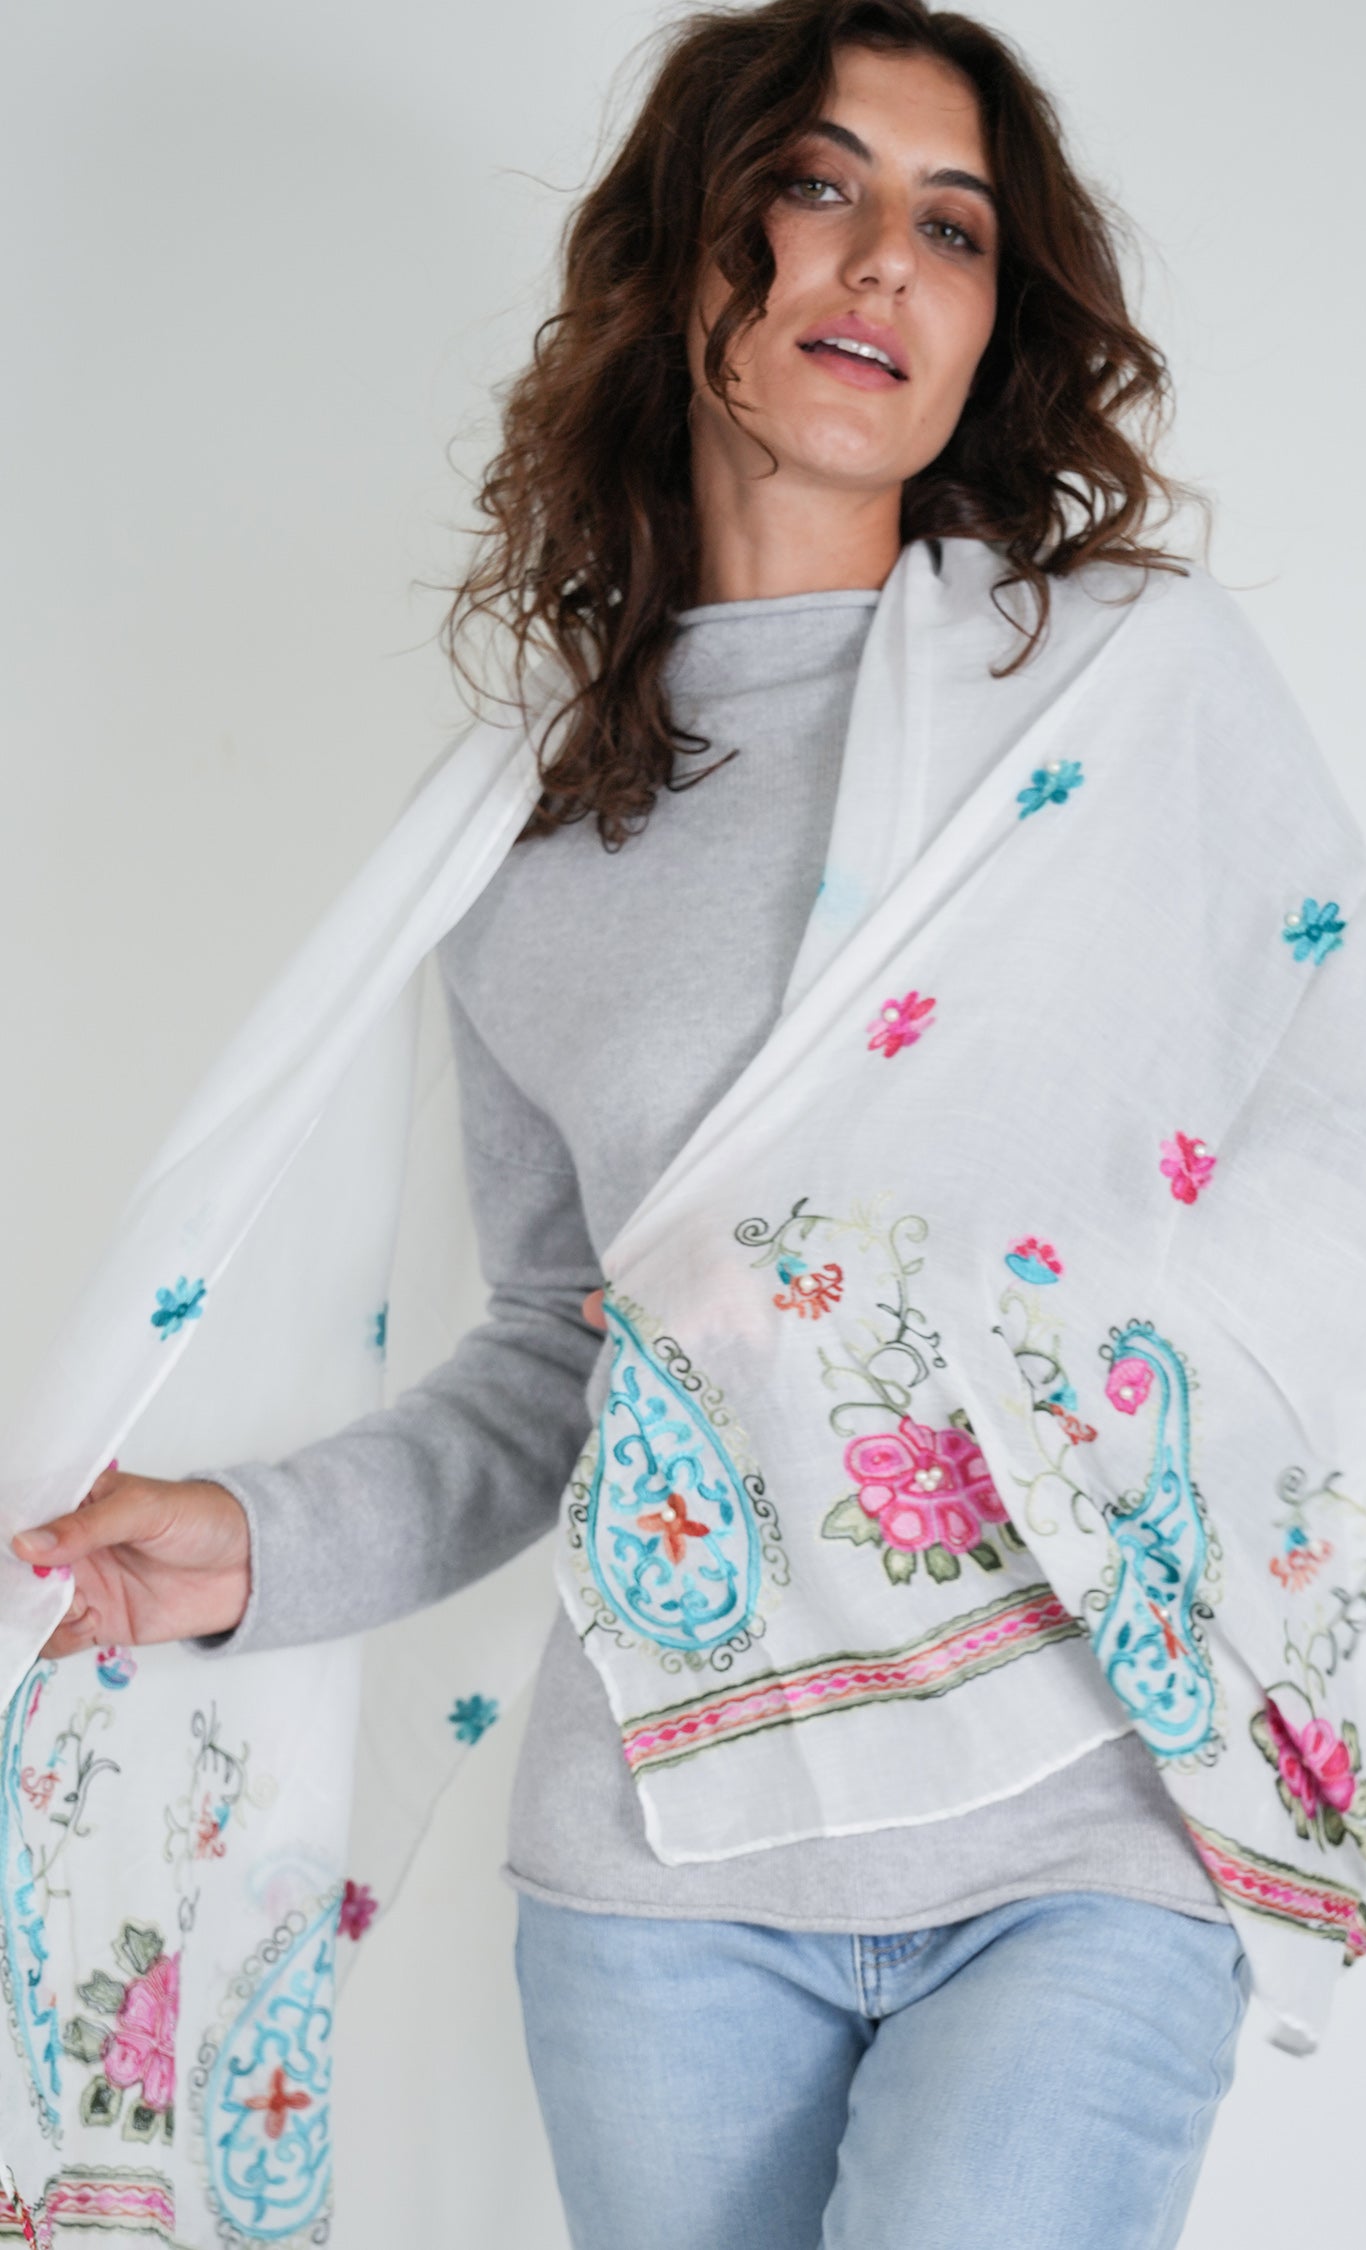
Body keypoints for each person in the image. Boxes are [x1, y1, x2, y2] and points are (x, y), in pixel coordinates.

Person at [12, 4, 1253, 2243]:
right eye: (817, 185)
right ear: (691, 258)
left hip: (1078, 1834)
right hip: (665, 1894)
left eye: (951, 225)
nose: (882, 260)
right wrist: (250, 1542)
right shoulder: (529, 842)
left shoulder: (1114, 715)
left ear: (996, 323)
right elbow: (574, 1361)